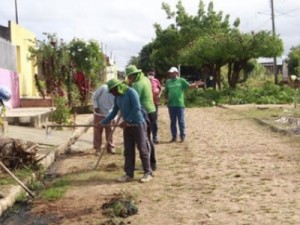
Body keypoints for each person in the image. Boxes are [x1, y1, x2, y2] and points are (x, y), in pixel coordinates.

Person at [101, 78, 153, 183]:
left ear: (118, 87)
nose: (112, 93)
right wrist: (103, 122)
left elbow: (137, 107)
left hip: (137, 124)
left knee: (142, 149)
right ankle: (129, 174)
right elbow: (114, 111)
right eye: (111, 92)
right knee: (128, 151)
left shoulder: (130, 92)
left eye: (113, 91)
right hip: (127, 127)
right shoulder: (117, 97)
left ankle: (148, 172)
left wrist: (127, 120)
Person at [125, 65, 157, 171]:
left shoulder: (137, 85)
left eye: (130, 77)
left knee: (144, 140)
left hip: (145, 112)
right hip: (152, 110)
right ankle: (151, 163)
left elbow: (133, 102)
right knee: (148, 138)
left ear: (133, 76)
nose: (129, 79)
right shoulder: (146, 79)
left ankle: (149, 165)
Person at [164, 66, 204, 143]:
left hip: (179, 104)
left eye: (172, 73)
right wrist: (166, 100)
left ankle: (182, 136)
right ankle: (174, 137)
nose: (171, 74)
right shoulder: (168, 82)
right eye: (170, 73)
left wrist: (196, 84)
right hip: (171, 105)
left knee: (181, 121)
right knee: (172, 122)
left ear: (176, 73)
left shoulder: (181, 81)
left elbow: (189, 86)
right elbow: (165, 92)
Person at [92, 84, 115, 154]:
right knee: (98, 130)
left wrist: (114, 117)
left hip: (109, 114)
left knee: (109, 131)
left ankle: (110, 147)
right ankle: (98, 148)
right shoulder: (103, 88)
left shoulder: (116, 93)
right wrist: (96, 106)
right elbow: (94, 97)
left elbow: (117, 107)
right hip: (99, 113)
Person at [147, 69, 162, 144]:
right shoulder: (145, 81)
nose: (151, 75)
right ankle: (147, 137)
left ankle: (155, 137)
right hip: (146, 104)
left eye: (152, 74)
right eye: (150, 74)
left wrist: (159, 95)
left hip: (154, 103)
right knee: (147, 121)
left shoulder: (156, 81)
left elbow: (160, 88)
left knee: (154, 121)